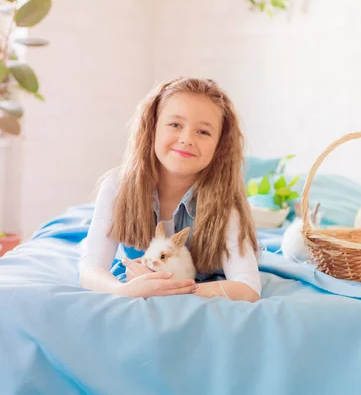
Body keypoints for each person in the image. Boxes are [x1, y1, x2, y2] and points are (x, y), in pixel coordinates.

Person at [79, 77, 261, 302]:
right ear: (152, 127)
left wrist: (166, 288)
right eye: (175, 125)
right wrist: (126, 290)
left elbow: (248, 287)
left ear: (219, 145)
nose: (186, 139)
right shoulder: (117, 186)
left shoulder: (225, 202)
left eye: (203, 132)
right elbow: (90, 269)